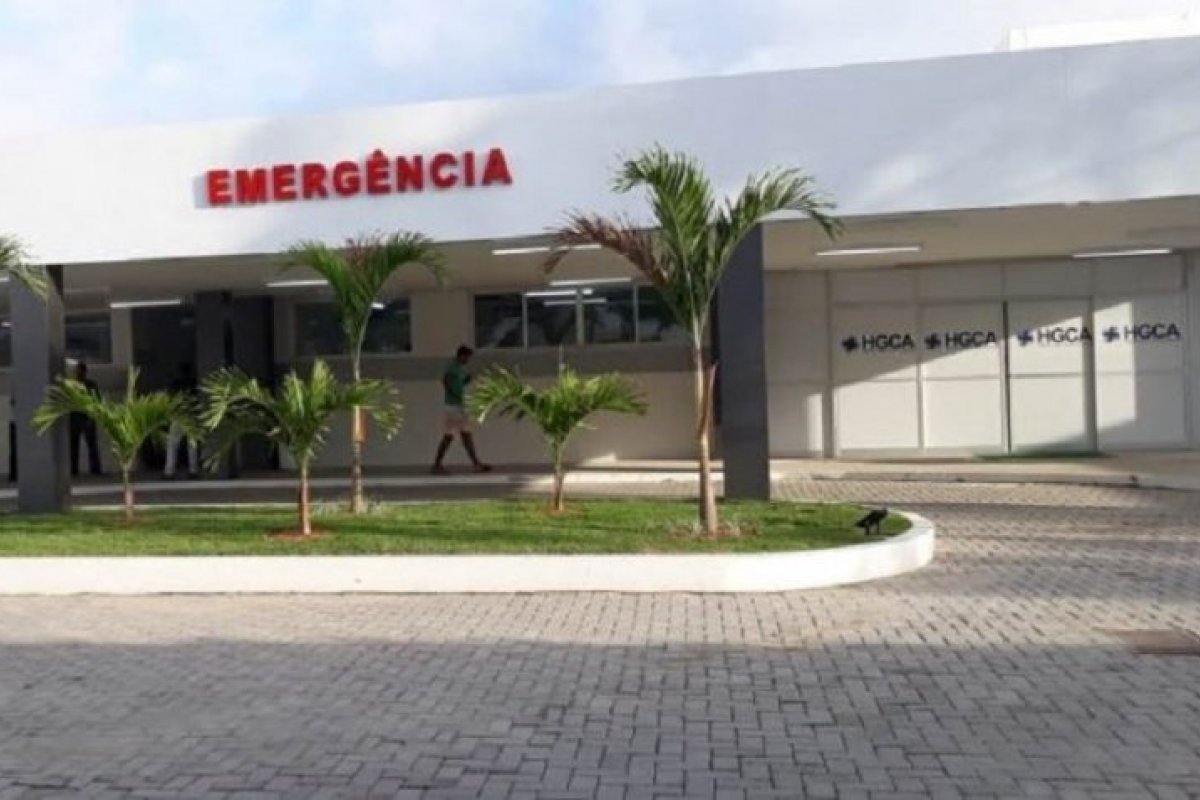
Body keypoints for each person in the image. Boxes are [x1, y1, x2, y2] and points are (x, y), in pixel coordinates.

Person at [431, 345, 491, 475]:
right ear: (461, 355)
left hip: (457, 406)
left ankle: (475, 463)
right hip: (454, 407)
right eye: (467, 357)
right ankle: (437, 465)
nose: (468, 360)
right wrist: (453, 394)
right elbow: (446, 381)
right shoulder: (452, 367)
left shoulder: (458, 369)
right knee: (453, 436)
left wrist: (466, 381)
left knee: (463, 435)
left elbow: (458, 383)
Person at [163, 363, 199, 480]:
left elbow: (171, 398)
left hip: (179, 416)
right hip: (191, 415)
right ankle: (193, 470)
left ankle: (169, 471)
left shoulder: (176, 384)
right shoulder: (194, 384)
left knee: (172, 444)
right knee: (192, 445)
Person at [69, 361, 102, 477]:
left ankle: (95, 469)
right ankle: (73, 469)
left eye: (79, 371)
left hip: (86, 417)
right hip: (74, 417)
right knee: (73, 446)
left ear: (84, 372)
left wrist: (92, 415)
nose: (77, 373)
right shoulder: (72, 385)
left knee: (91, 444)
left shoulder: (90, 385)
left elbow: (97, 401)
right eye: (76, 371)